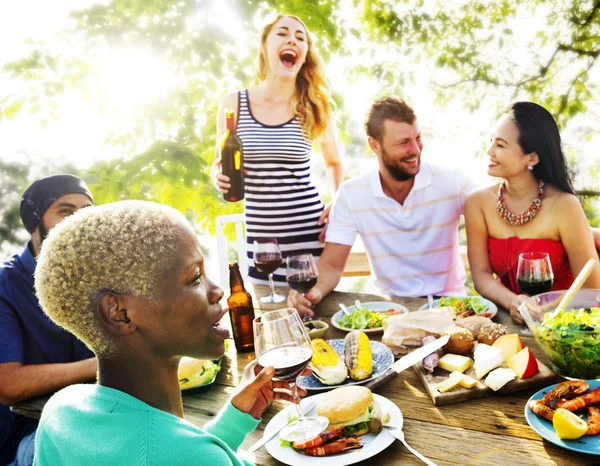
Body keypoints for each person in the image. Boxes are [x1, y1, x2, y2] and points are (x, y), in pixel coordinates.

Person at [32, 200, 306, 465]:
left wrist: (235, 418)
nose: (217, 291)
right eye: (195, 277)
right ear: (120, 313)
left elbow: (168, 453)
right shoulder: (189, 456)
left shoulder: (61, 412)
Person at [288, 97, 476, 318]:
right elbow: (330, 266)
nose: (415, 149)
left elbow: (496, 208)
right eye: (403, 142)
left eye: (418, 138)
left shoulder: (451, 182)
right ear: (374, 145)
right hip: (392, 311)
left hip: (451, 308)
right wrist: (312, 293)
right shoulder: (351, 194)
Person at [212, 13, 343, 285]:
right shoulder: (233, 103)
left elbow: (334, 163)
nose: (292, 40)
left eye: (300, 37)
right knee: (270, 320)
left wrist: (338, 202)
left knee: (314, 323)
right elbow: (219, 162)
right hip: (263, 245)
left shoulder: (315, 104)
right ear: (265, 46)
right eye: (282, 33)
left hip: (311, 240)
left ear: (305, 54)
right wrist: (218, 177)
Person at [465, 101, 600, 323]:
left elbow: (590, 286)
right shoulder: (477, 202)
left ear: (532, 158)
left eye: (500, 145)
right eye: (491, 141)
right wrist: (512, 302)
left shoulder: (564, 205)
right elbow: (480, 275)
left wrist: (543, 309)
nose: (489, 151)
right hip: (509, 320)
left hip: (565, 323)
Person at [0, 175, 96, 466]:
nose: (79, 221)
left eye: (87, 211)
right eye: (65, 211)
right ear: (35, 223)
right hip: (28, 436)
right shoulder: (6, 286)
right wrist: (105, 363)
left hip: (97, 422)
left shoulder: (101, 279)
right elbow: (8, 384)